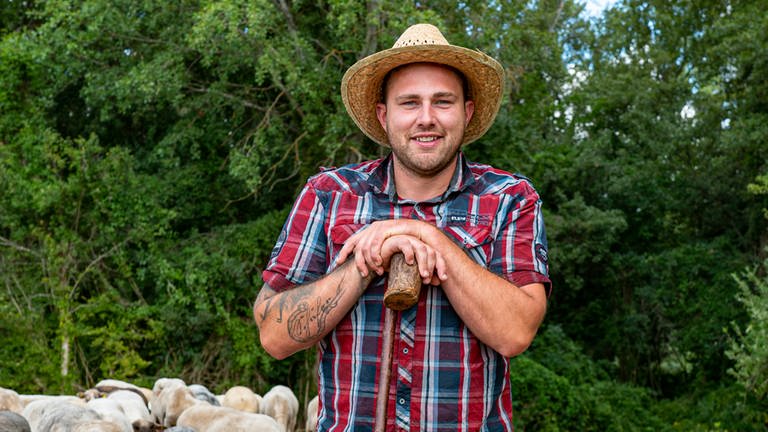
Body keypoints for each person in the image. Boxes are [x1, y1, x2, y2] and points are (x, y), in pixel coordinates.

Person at [254, 23, 550, 431]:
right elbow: (273, 335)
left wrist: (428, 237)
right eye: (409, 103)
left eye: (442, 102)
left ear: (466, 111)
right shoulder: (328, 194)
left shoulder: (509, 198)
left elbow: (515, 332)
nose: (426, 119)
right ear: (384, 114)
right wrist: (364, 264)